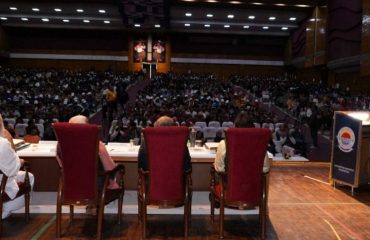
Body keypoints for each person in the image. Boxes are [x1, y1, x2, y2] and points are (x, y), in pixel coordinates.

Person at [67, 115, 119, 189]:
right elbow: (110, 169)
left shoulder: (61, 145)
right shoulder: (96, 144)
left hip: (71, 185)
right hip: (95, 186)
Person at [0, 113, 35, 219]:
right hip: (2, 183)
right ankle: (5, 210)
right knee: (29, 176)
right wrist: (21, 162)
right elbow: (12, 169)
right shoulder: (2, 143)